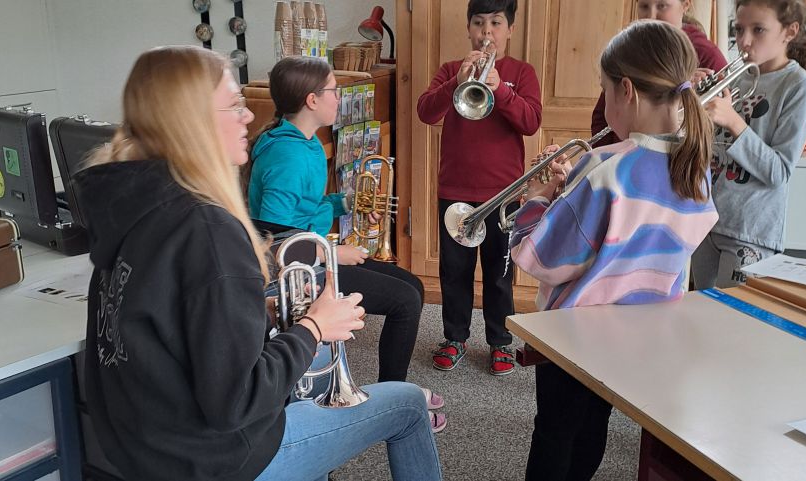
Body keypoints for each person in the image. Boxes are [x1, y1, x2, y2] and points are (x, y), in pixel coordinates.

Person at [75, 46, 442, 481]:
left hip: (139, 450)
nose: (249, 116)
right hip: (213, 463)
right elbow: (238, 402)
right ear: (192, 123)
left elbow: (170, 322)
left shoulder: (131, 208)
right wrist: (314, 329)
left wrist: (260, 313)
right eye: (234, 105)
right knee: (407, 404)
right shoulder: (207, 229)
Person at [509, 21, 719, 480]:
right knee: (593, 427)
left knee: (555, 432)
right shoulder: (695, 169)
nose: (603, 104)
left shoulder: (604, 168)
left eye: (604, 91)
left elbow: (543, 259)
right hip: (637, 339)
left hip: (573, 338)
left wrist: (539, 199)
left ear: (626, 91)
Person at [247, 55, 447, 432]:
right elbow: (274, 240)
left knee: (413, 287)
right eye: (334, 92)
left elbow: (305, 210)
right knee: (404, 301)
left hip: (317, 254)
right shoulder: (287, 154)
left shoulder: (304, 143)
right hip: (298, 273)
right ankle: (396, 398)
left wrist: (345, 203)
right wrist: (332, 252)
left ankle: (395, 388)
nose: (338, 98)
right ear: (311, 100)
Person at [416, 0, 542, 376]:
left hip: (504, 193)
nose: (487, 32)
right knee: (454, 270)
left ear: (510, 29)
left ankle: (500, 341)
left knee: (499, 272)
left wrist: (500, 90)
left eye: (496, 23)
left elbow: (532, 121)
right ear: (468, 28)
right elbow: (426, 112)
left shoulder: (521, 73)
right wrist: (457, 83)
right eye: (479, 23)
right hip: (455, 189)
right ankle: (455, 337)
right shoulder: (451, 70)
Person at [692, 0, 806, 289]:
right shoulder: (737, 78)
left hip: (750, 231)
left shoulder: (800, 87)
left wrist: (734, 121)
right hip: (708, 220)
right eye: (739, 29)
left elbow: (778, 172)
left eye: (758, 30)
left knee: (734, 321)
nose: (744, 41)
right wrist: (692, 97)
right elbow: (707, 146)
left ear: (790, 31)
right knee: (700, 316)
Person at [591, 0, 727, 148]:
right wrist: (604, 159)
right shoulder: (631, 48)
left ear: (685, 5)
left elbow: (723, 123)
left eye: (662, 6)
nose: (651, 16)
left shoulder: (707, 54)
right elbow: (601, 118)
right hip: (623, 157)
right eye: (644, 6)